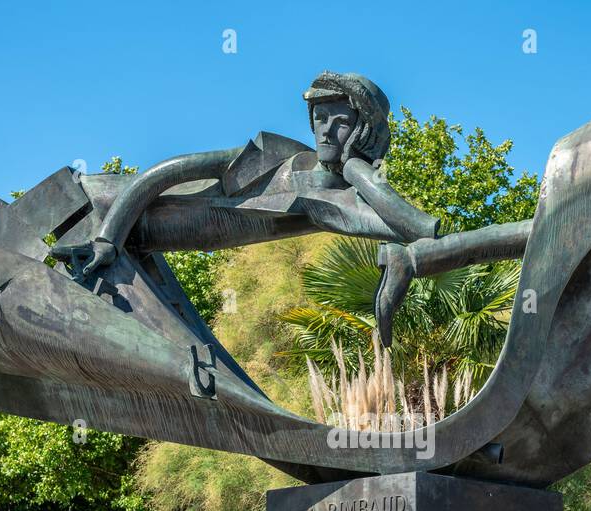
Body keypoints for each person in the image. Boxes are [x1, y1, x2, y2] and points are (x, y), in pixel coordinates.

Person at [52, 71, 531, 348]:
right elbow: (166, 172)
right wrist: (107, 239)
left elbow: (417, 230)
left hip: (137, 249)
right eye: (319, 120)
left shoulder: (334, 203)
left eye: (339, 123)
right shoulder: (275, 158)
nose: (325, 132)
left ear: (363, 129)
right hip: (101, 209)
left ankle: (533, 231)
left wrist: (359, 172)